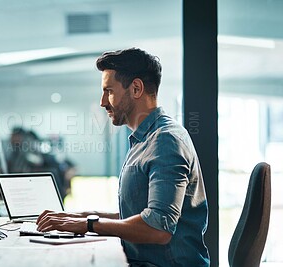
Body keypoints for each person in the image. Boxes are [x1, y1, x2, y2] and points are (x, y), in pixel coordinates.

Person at [36, 48, 210, 266]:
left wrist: (88, 225)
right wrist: (80, 217)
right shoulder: (143, 140)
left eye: (108, 91)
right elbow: (138, 215)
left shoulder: (166, 140)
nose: (102, 102)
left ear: (136, 88)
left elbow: (158, 228)